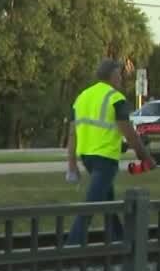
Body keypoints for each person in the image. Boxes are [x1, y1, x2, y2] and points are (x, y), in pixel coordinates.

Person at [65, 58, 153, 245]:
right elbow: (130, 134)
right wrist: (145, 158)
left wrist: (72, 163)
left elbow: (72, 134)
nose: (121, 78)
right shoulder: (115, 98)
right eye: (119, 75)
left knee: (107, 201)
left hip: (87, 157)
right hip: (106, 158)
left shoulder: (82, 97)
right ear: (112, 76)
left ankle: (118, 240)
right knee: (92, 204)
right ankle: (72, 246)